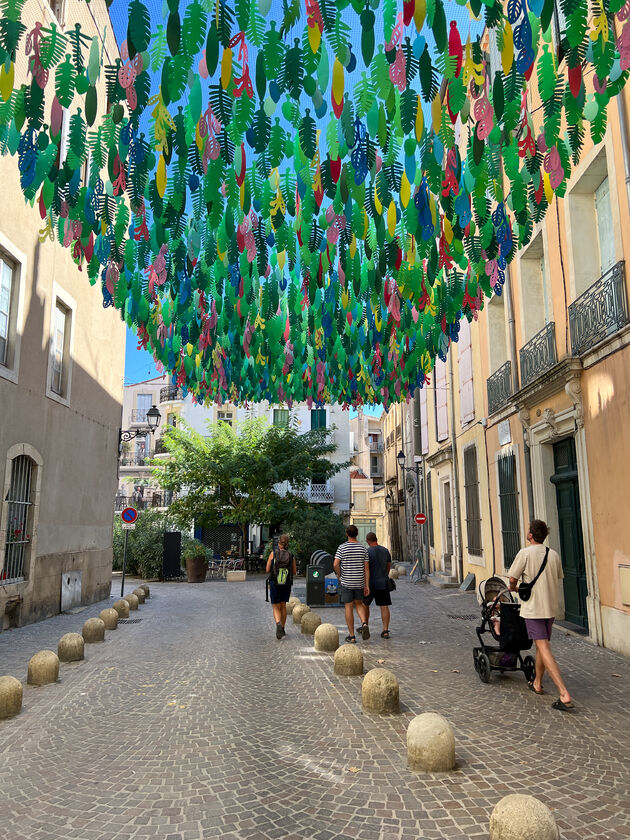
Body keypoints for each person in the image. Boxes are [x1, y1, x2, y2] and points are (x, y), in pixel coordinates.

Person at [508, 519, 574, 711]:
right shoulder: (553, 554)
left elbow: (512, 579)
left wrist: (514, 588)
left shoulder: (525, 553)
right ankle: (537, 682)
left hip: (534, 607)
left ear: (530, 535)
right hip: (550, 608)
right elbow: (558, 577)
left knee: (543, 646)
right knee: (541, 644)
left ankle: (564, 693)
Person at [334, 525, 370, 643]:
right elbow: (367, 569)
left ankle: (352, 635)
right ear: (357, 534)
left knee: (348, 607)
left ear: (347, 534)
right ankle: (364, 623)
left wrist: (339, 575)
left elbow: (335, 564)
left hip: (347, 581)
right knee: (359, 604)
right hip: (359, 581)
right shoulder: (363, 548)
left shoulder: (342, 548)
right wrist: (366, 585)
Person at [266, 534, 297, 640]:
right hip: (286, 584)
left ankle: (278, 624)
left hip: (275, 582)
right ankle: (283, 629)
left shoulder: (273, 554)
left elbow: (267, 569)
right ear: (287, 544)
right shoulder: (291, 555)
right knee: (283, 605)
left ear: (279, 543)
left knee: (275, 606)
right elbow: (294, 572)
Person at [363, 532, 392, 638]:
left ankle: (365, 625)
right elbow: (388, 565)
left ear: (367, 541)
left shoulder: (367, 552)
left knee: (365, 605)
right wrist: (385, 575)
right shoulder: (385, 551)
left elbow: (365, 569)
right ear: (376, 539)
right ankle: (385, 630)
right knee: (384, 606)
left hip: (370, 583)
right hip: (383, 583)